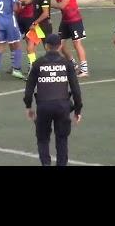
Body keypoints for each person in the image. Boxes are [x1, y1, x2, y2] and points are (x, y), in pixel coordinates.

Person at [24, 34, 82, 166]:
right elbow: (76, 91)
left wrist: (28, 106)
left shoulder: (38, 64)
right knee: (62, 139)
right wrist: (77, 110)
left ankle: (46, 164)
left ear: (46, 47)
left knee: (42, 139)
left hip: (43, 106)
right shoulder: (67, 64)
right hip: (63, 106)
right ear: (60, 46)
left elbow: (29, 89)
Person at [50, 0, 89, 78]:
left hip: (75, 20)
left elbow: (62, 5)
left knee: (77, 44)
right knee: (60, 45)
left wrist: (50, 3)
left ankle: (84, 70)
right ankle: (72, 64)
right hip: (65, 20)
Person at [18, 0, 52, 69]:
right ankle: (33, 67)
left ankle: (54, 66)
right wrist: (20, 1)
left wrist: (35, 22)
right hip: (36, 25)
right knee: (30, 44)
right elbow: (29, 1)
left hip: (44, 25)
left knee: (48, 48)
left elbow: (45, 13)